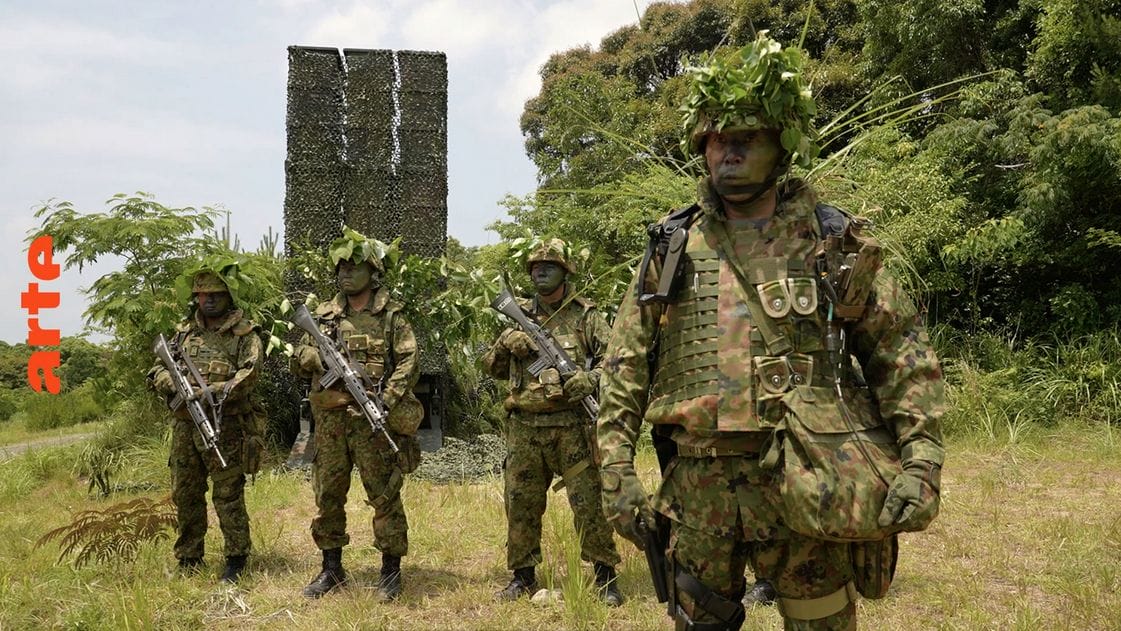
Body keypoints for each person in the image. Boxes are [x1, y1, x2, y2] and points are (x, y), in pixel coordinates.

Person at [597, 32, 945, 630]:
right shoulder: (672, 248)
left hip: (810, 479)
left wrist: (921, 460)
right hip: (698, 493)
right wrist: (616, 471)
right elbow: (624, 365)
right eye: (715, 140)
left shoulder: (830, 243)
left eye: (746, 139)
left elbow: (901, 355)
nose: (727, 153)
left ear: (782, 148)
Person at [482, 238, 624, 606]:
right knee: (521, 503)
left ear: (565, 272)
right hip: (524, 427)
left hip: (572, 427)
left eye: (549, 266)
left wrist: (589, 380)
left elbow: (616, 362)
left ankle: (605, 576)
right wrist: (505, 344)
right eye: (535, 267)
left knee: (589, 503)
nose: (540, 271)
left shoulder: (586, 316)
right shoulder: (518, 316)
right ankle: (522, 576)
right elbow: (491, 368)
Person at [291, 227, 425, 601]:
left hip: (372, 421)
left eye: (355, 267)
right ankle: (331, 569)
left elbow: (409, 363)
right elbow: (297, 360)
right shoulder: (323, 317)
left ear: (374, 272)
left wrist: (386, 400)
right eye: (341, 267)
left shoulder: (391, 316)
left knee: (385, 495)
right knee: (328, 495)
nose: (346, 273)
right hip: (330, 422)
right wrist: (314, 357)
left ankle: (390, 571)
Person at [148, 268, 265, 584]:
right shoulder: (183, 334)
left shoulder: (244, 334)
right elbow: (157, 369)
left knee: (228, 493)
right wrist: (169, 382)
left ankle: (236, 558)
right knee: (185, 493)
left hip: (225, 425)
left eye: (216, 294)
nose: (209, 300)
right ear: (195, 297)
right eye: (203, 294)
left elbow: (249, 374)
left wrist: (212, 392)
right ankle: (189, 557)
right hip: (185, 426)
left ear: (228, 297)